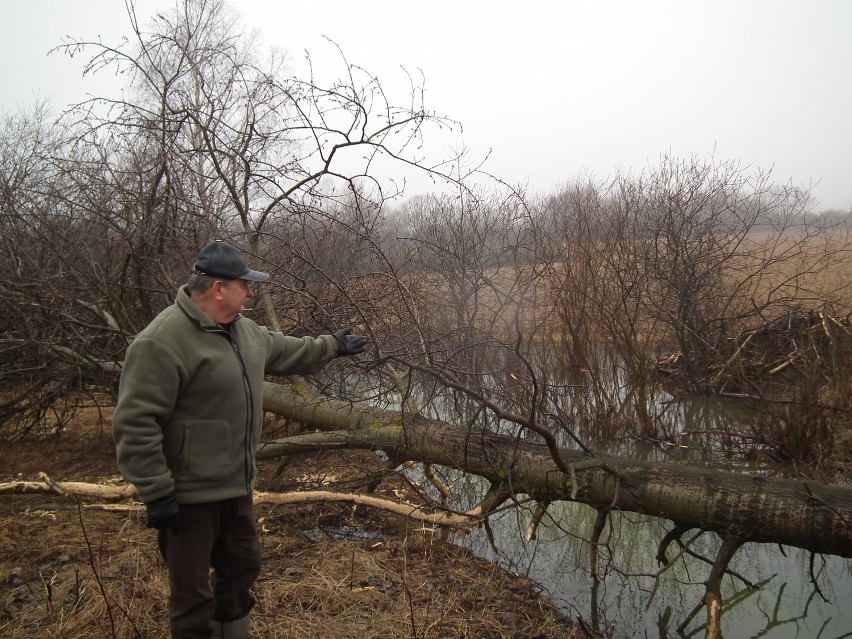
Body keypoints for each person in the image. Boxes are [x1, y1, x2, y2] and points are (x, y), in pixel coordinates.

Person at [112, 240, 367, 639]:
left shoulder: (243, 331)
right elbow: (135, 421)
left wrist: (332, 345)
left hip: (236, 488)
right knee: (192, 598)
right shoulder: (161, 341)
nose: (251, 292)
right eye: (244, 285)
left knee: (241, 571)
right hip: (188, 496)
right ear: (218, 289)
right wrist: (156, 490)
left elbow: (288, 350)